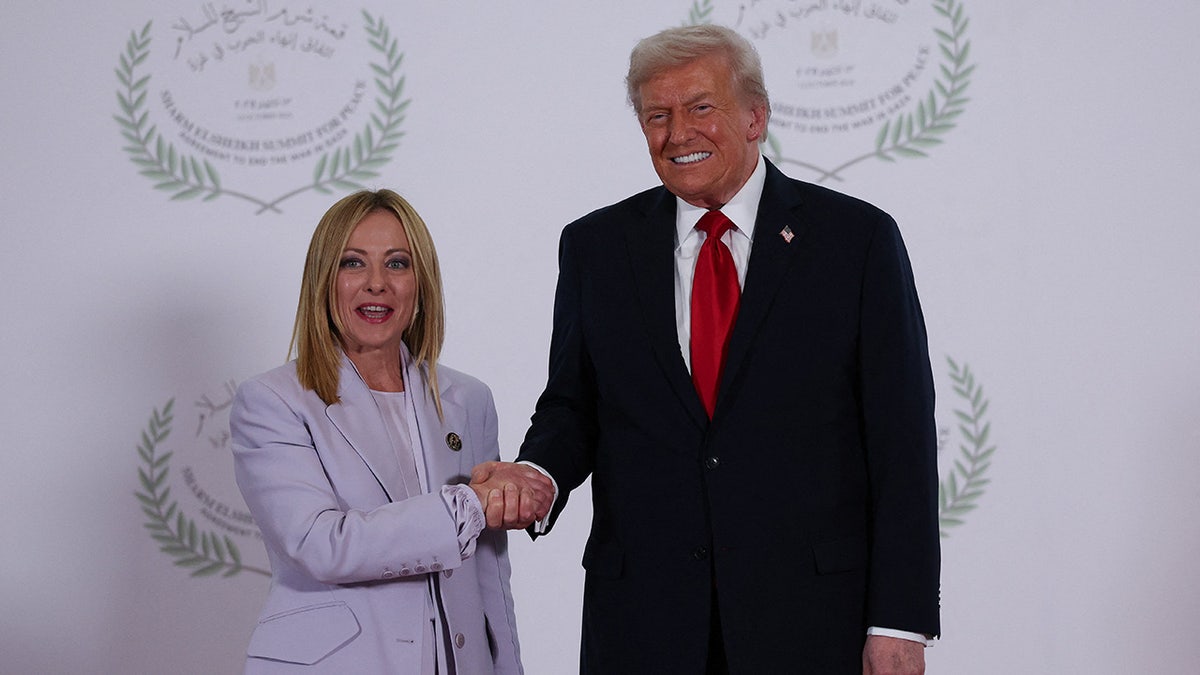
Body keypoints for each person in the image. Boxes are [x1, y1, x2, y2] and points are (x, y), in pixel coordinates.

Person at [474, 24, 940, 674]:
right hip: (643, 622)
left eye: (700, 107)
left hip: (811, 622)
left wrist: (900, 620)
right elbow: (571, 408)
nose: (676, 133)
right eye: (655, 115)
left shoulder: (855, 243)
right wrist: (540, 475)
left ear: (756, 116)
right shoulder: (596, 248)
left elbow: (902, 442)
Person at [230, 189, 547, 673]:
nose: (377, 284)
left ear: (421, 282)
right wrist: (469, 505)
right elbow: (322, 545)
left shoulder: (469, 398)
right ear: (323, 279)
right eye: (353, 263)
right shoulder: (272, 401)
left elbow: (488, 572)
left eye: (397, 264)